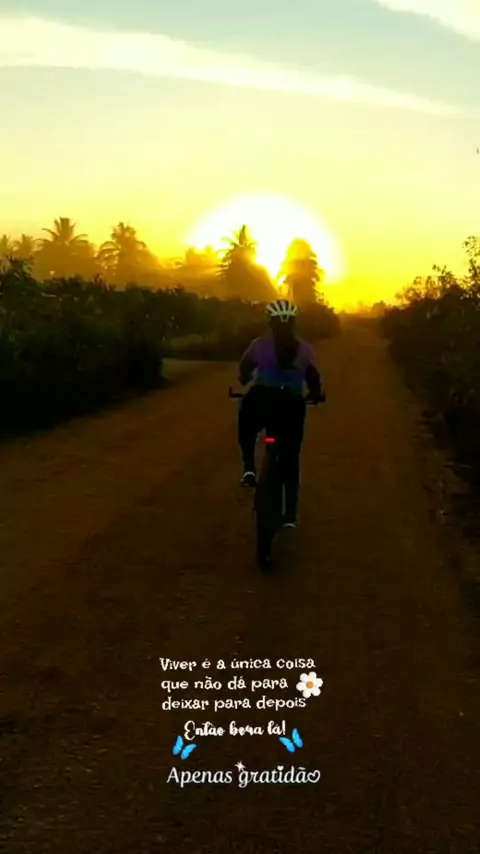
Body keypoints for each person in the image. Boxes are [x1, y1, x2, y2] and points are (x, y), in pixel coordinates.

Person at [237, 298, 325, 528]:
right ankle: (290, 514)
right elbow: (313, 378)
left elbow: (245, 368)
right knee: (291, 456)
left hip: (262, 399)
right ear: (294, 322)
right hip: (291, 404)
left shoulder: (259, 345)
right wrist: (315, 395)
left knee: (246, 425)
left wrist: (244, 380)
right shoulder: (305, 349)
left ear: (270, 321)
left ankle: (249, 469)